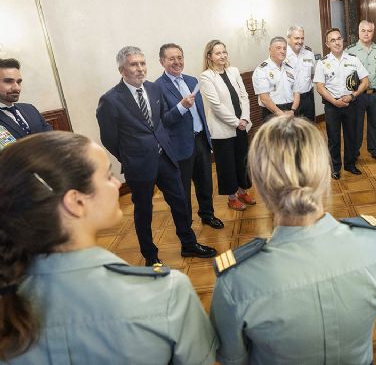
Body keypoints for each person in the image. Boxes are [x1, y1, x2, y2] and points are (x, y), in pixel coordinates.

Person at [0, 131, 217, 364]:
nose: (117, 184)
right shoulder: (166, 293)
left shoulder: (9, 297)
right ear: (76, 202)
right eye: (108, 176)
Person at [210, 115, 376, 364]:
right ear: (325, 171)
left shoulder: (236, 280)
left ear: (261, 185)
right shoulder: (373, 243)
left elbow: (233, 358)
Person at [96, 46, 216, 266]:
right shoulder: (111, 100)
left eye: (142, 63)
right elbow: (109, 139)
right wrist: (130, 157)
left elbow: (162, 123)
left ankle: (188, 245)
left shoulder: (153, 89)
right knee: (144, 212)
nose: (140, 68)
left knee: (180, 202)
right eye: (134, 64)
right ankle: (150, 256)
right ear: (122, 69)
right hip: (139, 165)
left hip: (166, 159)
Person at [155, 43, 224, 230]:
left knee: (205, 183)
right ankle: (186, 226)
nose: (177, 62)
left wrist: (207, 136)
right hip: (179, 146)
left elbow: (201, 112)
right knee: (182, 190)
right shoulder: (157, 87)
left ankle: (207, 215)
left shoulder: (193, 80)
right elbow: (164, 121)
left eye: (180, 57)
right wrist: (181, 107)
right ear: (162, 62)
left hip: (201, 139)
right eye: (171, 59)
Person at [199, 39, 255, 211]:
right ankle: (231, 198)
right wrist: (236, 122)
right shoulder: (206, 76)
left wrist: (244, 118)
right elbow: (216, 106)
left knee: (242, 160)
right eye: (218, 53)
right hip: (222, 129)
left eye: (224, 52)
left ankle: (242, 191)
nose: (222, 56)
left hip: (241, 125)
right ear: (209, 56)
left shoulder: (233, 71)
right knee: (227, 164)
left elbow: (244, 96)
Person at [314, 28, 369, 179]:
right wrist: (334, 101)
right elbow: (319, 86)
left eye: (339, 38)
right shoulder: (323, 63)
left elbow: (365, 81)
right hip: (332, 106)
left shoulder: (353, 59)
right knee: (333, 138)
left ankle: (350, 164)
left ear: (342, 40)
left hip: (351, 104)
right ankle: (335, 167)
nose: (337, 42)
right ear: (327, 44)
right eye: (333, 40)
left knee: (351, 135)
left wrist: (353, 95)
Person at [346, 20, 376, 163]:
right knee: (356, 125)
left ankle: (375, 150)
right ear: (358, 31)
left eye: (369, 31)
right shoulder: (350, 51)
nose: (366, 33)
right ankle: (354, 151)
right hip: (358, 95)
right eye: (363, 30)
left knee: (375, 123)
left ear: (373, 32)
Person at [0, 58, 51, 146]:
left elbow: (51, 137)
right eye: (8, 81)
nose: (17, 88)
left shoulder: (30, 108)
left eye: (19, 82)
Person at [252, 36, 297, 122]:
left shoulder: (290, 68)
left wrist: (292, 110)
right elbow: (264, 99)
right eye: (278, 48)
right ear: (270, 50)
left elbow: (296, 92)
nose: (282, 51)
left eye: (284, 48)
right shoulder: (262, 70)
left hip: (290, 110)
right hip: (271, 112)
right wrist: (281, 114)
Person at [286, 25, 316, 121]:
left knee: (309, 127)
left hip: (307, 98)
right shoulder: (283, 55)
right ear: (288, 39)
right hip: (290, 100)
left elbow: (313, 74)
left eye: (302, 38)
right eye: (297, 38)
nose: (300, 41)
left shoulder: (309, 54)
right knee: (293, 131)